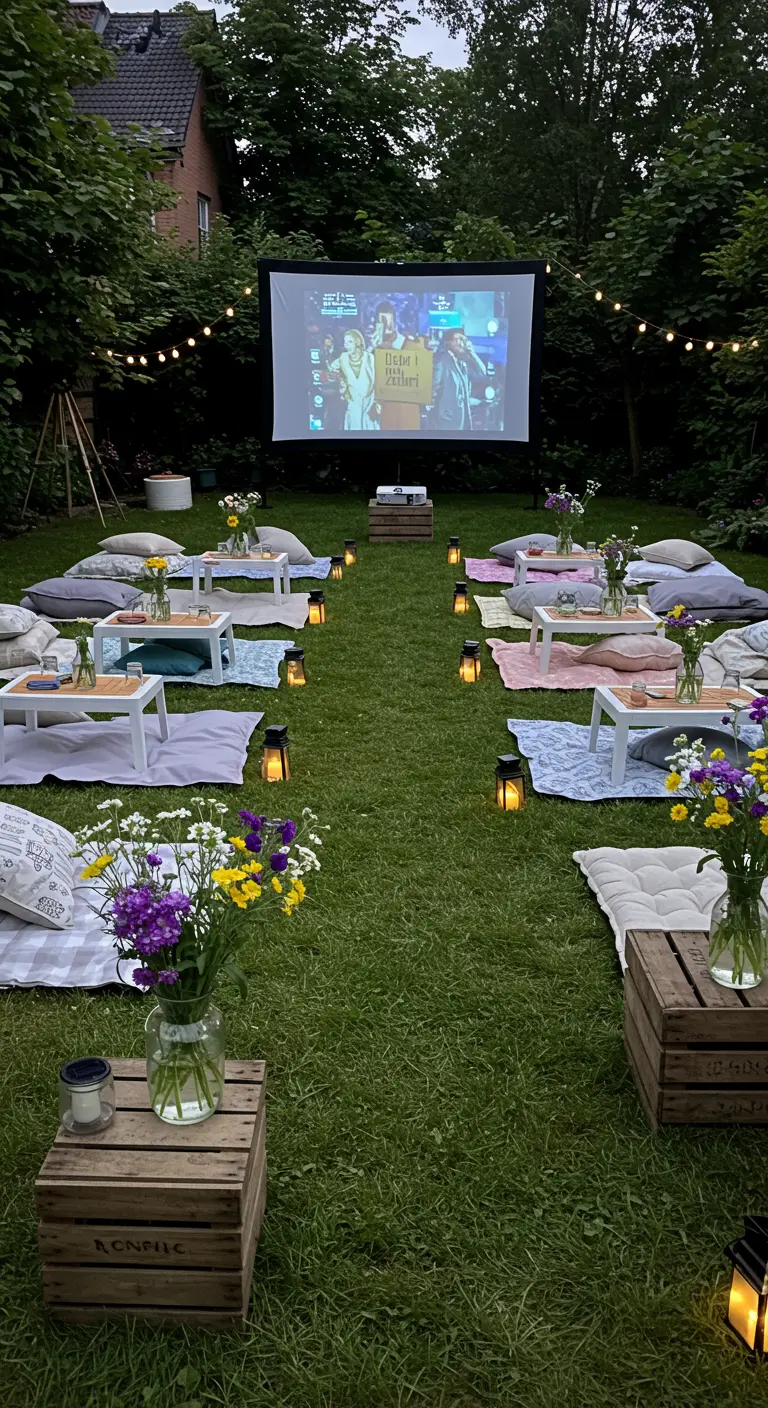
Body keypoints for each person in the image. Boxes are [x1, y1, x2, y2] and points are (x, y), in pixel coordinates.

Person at [370, 300, 421, 430]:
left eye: (389, 322)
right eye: (382, 322)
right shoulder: (372, 350)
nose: (386, 327)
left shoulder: (412, 347)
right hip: (382, 415)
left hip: (406, 415)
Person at [430, 330, 487, 432]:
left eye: (464, 339)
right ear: (448, 343)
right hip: (447, 421)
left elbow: (482, 373)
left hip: (463, 420)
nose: (462, 343)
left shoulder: (463, 362)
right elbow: (433, 389)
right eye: (458, 339)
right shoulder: (441, 362)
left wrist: (472, 352)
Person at [328, 330, 378, 431]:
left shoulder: (369, 358)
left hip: (368, 408)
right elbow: (331, 370)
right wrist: (339, 380)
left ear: (357, 342)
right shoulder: (343, 358)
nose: (346, 345)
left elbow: (378, 378)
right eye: (345, 342)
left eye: (350, 342)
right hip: (353, 405)